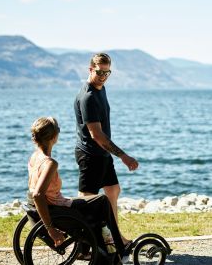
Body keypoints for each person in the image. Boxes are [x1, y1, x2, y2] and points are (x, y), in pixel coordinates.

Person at [27, 117, 128, 261]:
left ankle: (96, 247)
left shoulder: (35, 157)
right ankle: (117, 249)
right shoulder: (50, 164)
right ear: (54, 137)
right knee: (103, 201)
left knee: (94, 202)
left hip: (54, 204)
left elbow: (34, 192)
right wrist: (51, 229)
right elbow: (38, 195)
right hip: (57, 208)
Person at [74, 52, 139, 245]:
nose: (103, 77)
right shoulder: (88, 97)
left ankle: (115, 237)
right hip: (90, 154)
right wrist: (124, 156)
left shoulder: (101, 89)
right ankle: (84, 244)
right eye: (99, 72)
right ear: (90, 69)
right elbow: (97, 135)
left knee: (112, 190)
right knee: (87, 200)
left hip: (102, 153)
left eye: (107, 73)